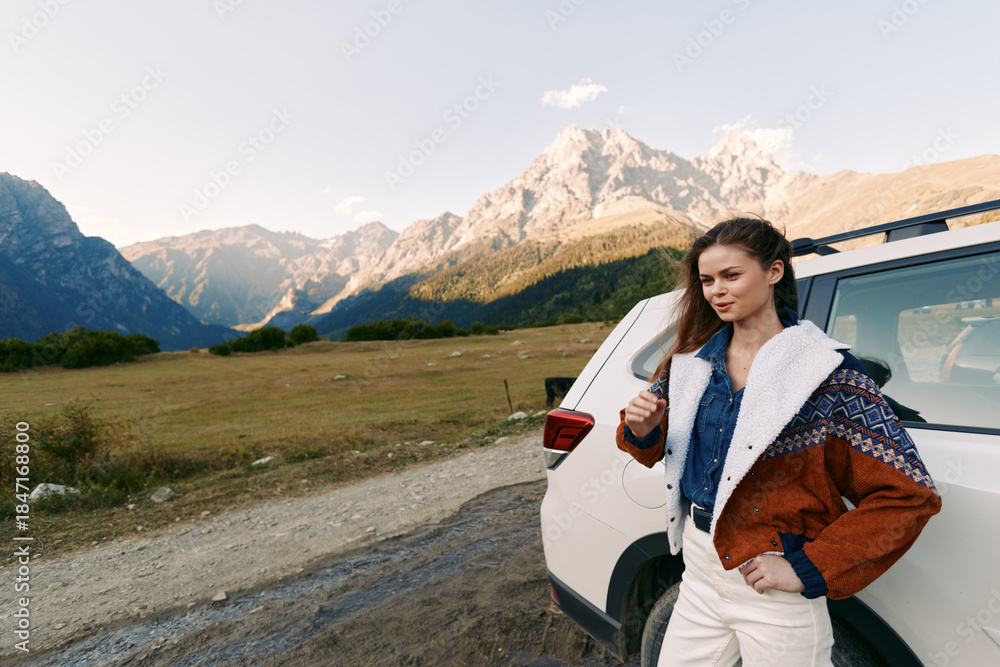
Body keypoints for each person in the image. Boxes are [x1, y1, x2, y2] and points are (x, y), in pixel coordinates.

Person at [617, 216, 942, 666]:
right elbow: (652, 445)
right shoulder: (689, 362)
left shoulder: (827, 374)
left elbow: (909, 495)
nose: (716, 291)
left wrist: (808, 567)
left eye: (731, 275)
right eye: (707, 281)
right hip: (698, 569)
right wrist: (641, 429)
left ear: (774, 272)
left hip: (773, 586)